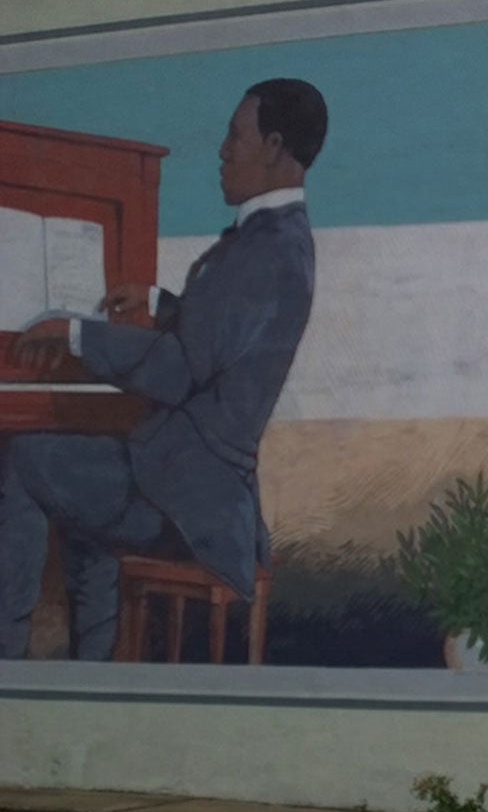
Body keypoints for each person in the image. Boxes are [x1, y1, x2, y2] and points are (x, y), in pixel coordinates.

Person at [0, 78, 326, 660]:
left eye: (235, 135)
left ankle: (9, 657)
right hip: (190, 485)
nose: (224, 150)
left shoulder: (266, 249)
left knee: (23, 462)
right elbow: (222, 336)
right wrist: (160, 304)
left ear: (274, 146)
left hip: (183, 501)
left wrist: (75, 334)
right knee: (83, 488)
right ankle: (93, 668)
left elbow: (177, 370)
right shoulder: (277, 241)